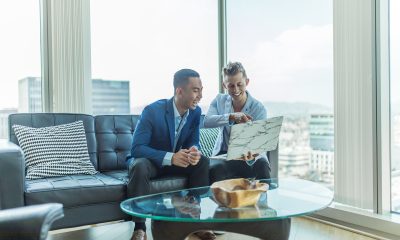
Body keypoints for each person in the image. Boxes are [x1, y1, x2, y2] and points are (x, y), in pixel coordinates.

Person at [127, 69, 214, 240]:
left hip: (175, 161)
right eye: (196, 90)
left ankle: (194, 221)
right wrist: (170, 157)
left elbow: (193, 140)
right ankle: (140, 229)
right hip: (151, 162)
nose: (201, 95)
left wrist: (194, 151)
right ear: (179, 91)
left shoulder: (195, 112)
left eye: (201, 90)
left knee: (202, 162)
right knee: (139, 165)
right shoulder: (152, 111)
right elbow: (137, 148)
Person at [203, 62, 271, 183]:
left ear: (247, 82)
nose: (236, 90)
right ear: (224, 85)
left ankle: (262, 201)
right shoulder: (220, 100)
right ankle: (221, 201)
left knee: (262, 165)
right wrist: (231, 117)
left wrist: (252, 155)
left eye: (240, 84)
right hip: (225, 156)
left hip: (250, 157)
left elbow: (261, 143)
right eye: (231, 86)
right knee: (215, 169)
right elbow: (207, 121)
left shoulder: (258, 109)